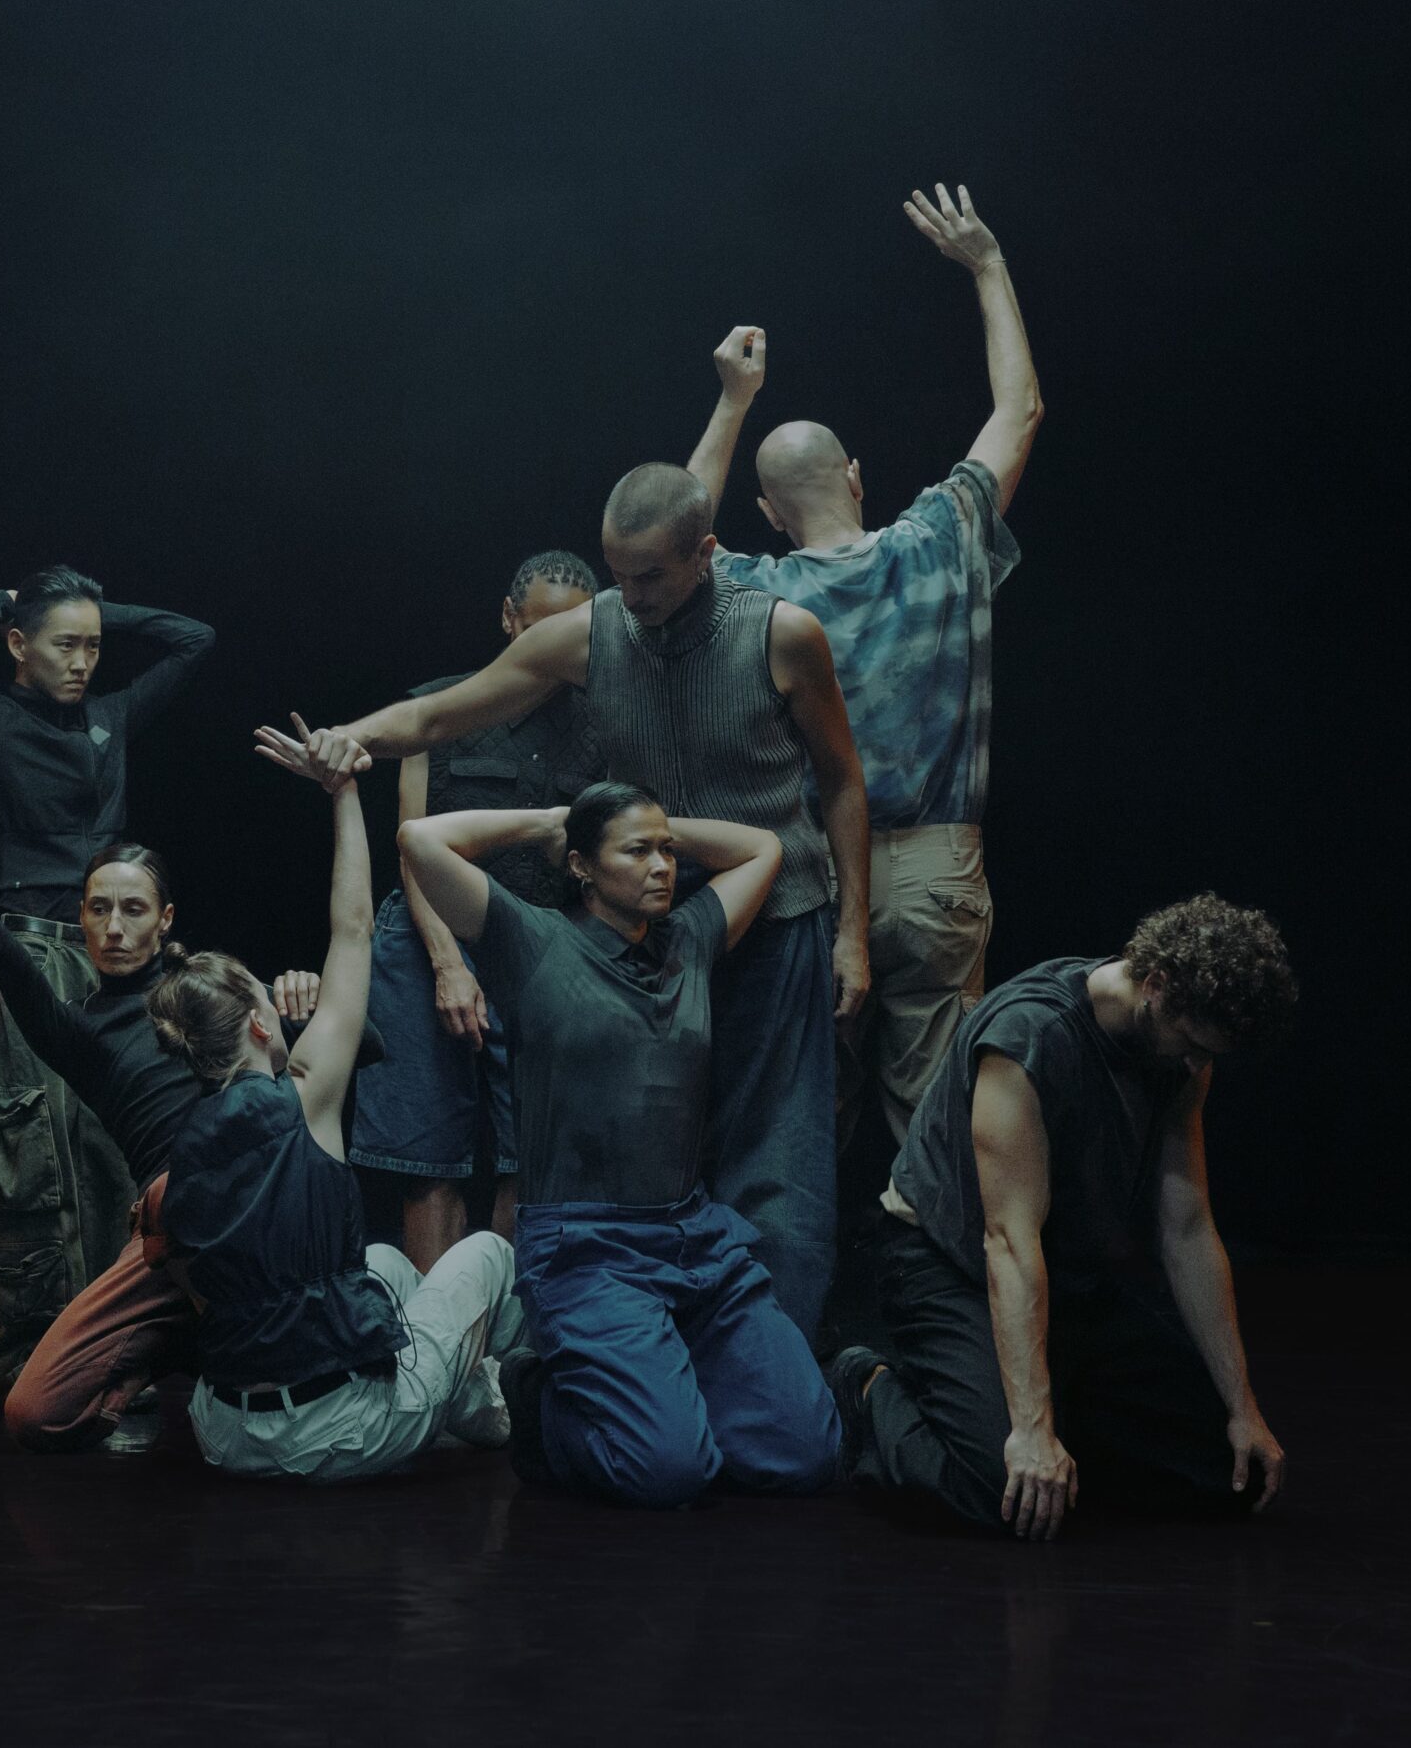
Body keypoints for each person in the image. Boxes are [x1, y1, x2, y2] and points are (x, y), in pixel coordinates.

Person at [323, 332, 872, 1345]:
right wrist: (345, 736)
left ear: (705, 556)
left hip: (777, 917)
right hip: (646, 928)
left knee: (778, 1160)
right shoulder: (594, 632)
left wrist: (853, 931)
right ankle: (648, 1346)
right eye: (619, 574)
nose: (633, 596)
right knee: (654, 1150)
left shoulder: (781, 632)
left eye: (650, 578)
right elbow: (448, 714)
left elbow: (841, 782)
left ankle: (772, 1364)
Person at [704, 183, 1043, 1157]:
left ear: (767, 512)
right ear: (855, 475)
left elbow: (671, 534)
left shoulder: (760, 593)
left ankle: (803, 1308)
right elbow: (1019, 407)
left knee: (801, 1119)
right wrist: (987, 265)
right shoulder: (938, 539)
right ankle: (934, 1306)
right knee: (933, 1127)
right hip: (939, 863)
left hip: (811, 873)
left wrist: (733, 403)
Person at [398, 781, 841, 1508]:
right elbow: (420, 841)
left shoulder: (692, 939)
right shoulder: (534, 940)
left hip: (694, 1240)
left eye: (667, 851)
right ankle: (539, 1398)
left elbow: (766, 846)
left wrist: (659, 826)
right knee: (668, 1471)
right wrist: (548, 821)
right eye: (638, 851)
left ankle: (665, 1389)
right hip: (587, 1251)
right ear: (581, 865)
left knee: (804, 1452)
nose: (663, 865)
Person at [827, 895, 1297, 1539]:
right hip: (949, 1264)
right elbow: (1008, 1241)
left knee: (1230, 1470)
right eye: (1191, 1045)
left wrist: (1243, 1407)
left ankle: (1041, 1413)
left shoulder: (1181, 1056)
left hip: (1065, 1276)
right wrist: (1029, 1428)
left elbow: (1186, 1229)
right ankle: (867, 1384)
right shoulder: (1030, 1037)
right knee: (1000, 1490)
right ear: (1155, 986)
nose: (1196, 1066)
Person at [150, 719, 520, 1484]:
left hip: (224, 1431)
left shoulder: (183, 1141)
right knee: (486, 1252)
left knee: (383, 1260)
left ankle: (461, 1395)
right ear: (259, 1023)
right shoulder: (303, 1097)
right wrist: (344, 790)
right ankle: (483, 1403)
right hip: (334, 1435)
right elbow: (353, 929)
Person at [0, 842, 337, 1453]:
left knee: (310, 1380)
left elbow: (358, 1043)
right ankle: (171, 1345)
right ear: (82, 919)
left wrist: (306, 997)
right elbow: (22, 982)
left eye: (133, 909)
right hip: (166, 1232)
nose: (114, 928)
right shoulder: (83, 1030)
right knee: (33, 1413)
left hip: (256, 1208)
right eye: (98, 910)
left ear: (165, 919)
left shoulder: (210, 989)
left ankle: (194, 1341)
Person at [0, 570, 215, 1383]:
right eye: (67, 643)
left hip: (117, 949)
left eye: (95, 645)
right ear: (18, 645)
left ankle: (125, 1347)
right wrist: (21, 603)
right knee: (29, 1152)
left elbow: (195, 637)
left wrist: (90, 614)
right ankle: (33, 1347)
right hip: (32, 940)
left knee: (112, 1152)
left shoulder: (109, 714)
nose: (85, 659)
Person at [349, 551, 602, 1269]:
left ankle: (511, 1348)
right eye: (541, 626)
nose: (557, 643)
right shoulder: (443, 703)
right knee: (433, 1159)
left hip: (541, 940)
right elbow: (409, 845)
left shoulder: (605, 720)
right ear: (509, 617)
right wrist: (445, 965)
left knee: (533, 1154)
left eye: (577, 627)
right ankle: (440, 1348)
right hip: (430, 932)